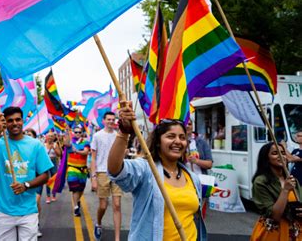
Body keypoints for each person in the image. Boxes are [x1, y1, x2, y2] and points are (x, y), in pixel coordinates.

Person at [108, 101, 207, 241]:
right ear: (158, 142)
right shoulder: (147, 170)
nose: (178, 141)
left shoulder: (192, 178)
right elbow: (115, 170)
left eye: (182, 137)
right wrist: (124, 132)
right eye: (171, 136)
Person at [0, 106, 53, 240]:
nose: (15, 123)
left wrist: (26, 185)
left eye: (18, 119)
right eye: (10, 120)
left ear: (23, 121)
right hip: (3, 211)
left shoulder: (36, 145)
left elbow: (46, 176)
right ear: (5, 123)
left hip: (28, 212)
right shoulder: (0, 144)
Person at [251, 142, 302, 240]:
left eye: (283, 153)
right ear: (266, 158)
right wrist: (285, 190)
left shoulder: (292, 179)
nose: (281, 156)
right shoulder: (261, 181)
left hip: (294, 233)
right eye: (275, 153)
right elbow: (275, 216)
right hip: (273, 234)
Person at [90, 111, 123, 241]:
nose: (111, 121)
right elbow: (93, 158)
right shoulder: (97, 136)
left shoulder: (118, 136)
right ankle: (98, 223)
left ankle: (117, 238)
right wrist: (93, 177)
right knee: (103, 206)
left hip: (117, 172)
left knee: (117, 204)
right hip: (102, 173)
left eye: (113, 119)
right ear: (103, 121)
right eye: (108, 119)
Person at [65, 126, 90, 217]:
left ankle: (77, 200)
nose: (77, 134)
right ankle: (76, 207)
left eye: (79, 132)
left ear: (82, 133)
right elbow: (66, 143)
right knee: (75, 189)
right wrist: (67, 132)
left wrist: (77, 151)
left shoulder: (86, 142)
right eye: (75, 132)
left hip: (83, 169)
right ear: (73, 133)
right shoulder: (71, 142)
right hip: (72, 168)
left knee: (81, 189)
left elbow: (86, 152)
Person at [44, 132, 61, 203]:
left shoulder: (55, 144)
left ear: (54, 138)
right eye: (49, 136)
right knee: (47, 179)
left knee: (53, 179)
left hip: (53, 162)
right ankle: (48, 196)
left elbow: (59, 154)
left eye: (52, 136)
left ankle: (53, 194)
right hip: (46, 162)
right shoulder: (43, 145)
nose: (50, 137)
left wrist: (54, 148)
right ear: (46, 137)